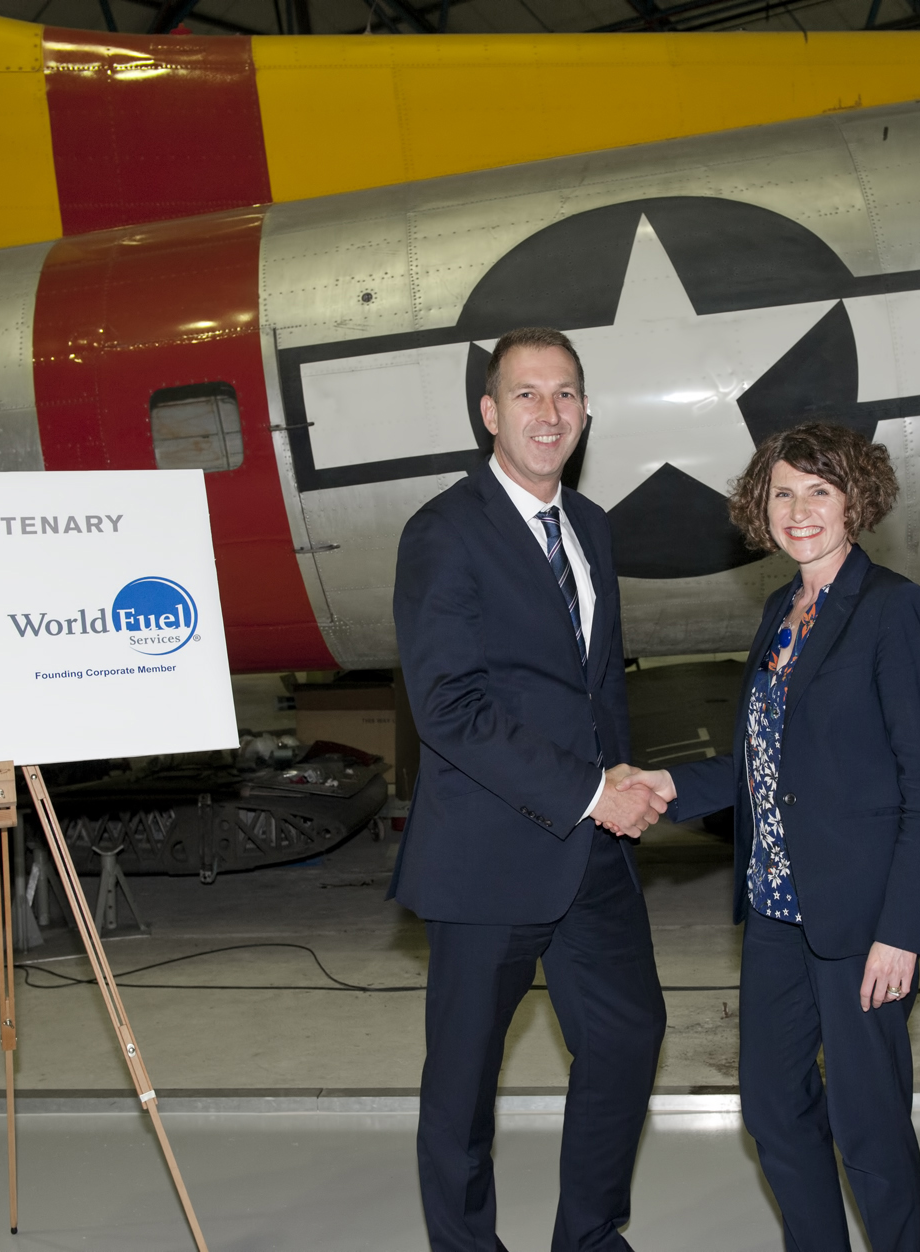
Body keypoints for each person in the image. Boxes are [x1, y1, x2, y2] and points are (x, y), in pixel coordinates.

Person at [619, 423, 920, 1252]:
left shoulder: (893, 608)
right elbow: (764, 759)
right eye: (782, 493)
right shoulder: (783, 609)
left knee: (869, 1126)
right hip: (774, 908)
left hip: (860, 919)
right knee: (772, 1108)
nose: (799, 510)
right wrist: (671, 784)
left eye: (819, 491)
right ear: (759, 507)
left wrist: (901, 931)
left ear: (855, 500)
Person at [391, 327, 669, 1252]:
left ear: (585, 410)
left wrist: (617, 779)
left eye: (565, 395)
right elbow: (449, 707)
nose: (549, 414)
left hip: (592, 853)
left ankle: (589, 1238)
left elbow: (596, 686)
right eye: (526, 394)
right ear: (489, 413)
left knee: (628, 1037)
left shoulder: (590, 525)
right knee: (464, 1084)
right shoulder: (442, 532)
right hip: (488, 858)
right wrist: (592, 791)